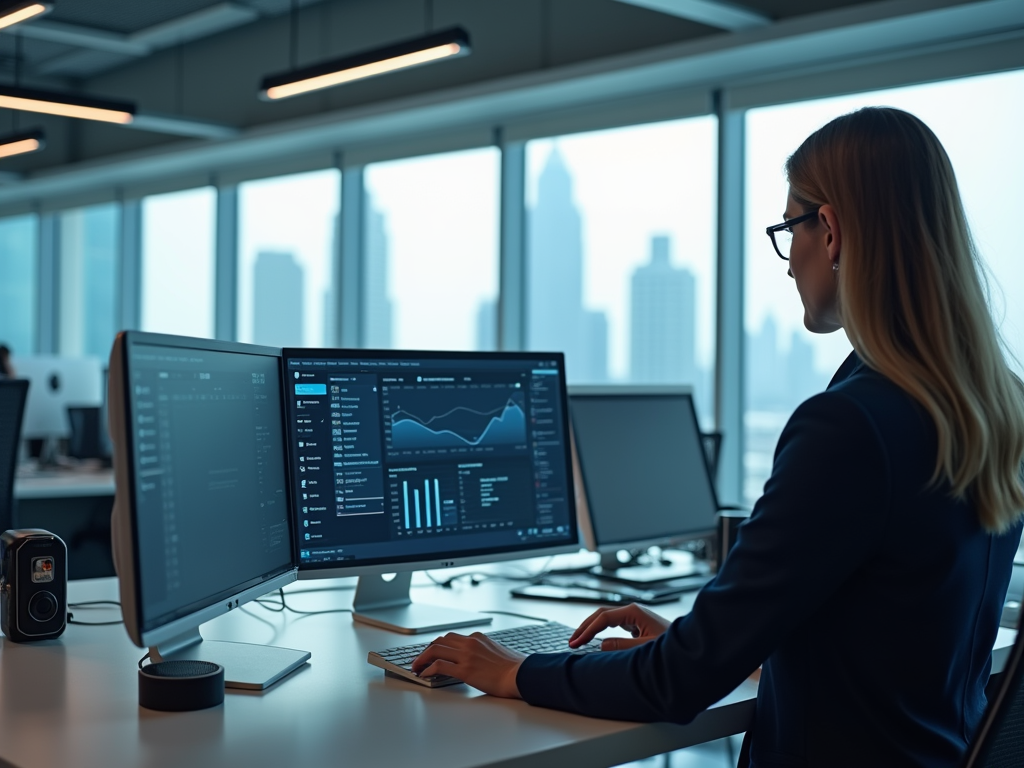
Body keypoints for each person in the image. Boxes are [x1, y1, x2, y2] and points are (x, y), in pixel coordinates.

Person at [412, 107, 1024, 768]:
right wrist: (713, 640)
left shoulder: (850, 428)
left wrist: (514, 671)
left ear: (833, 231)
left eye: (790, 229)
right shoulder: (994, 409)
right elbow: (893, 640)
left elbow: (676, 686)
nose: (789, 262)